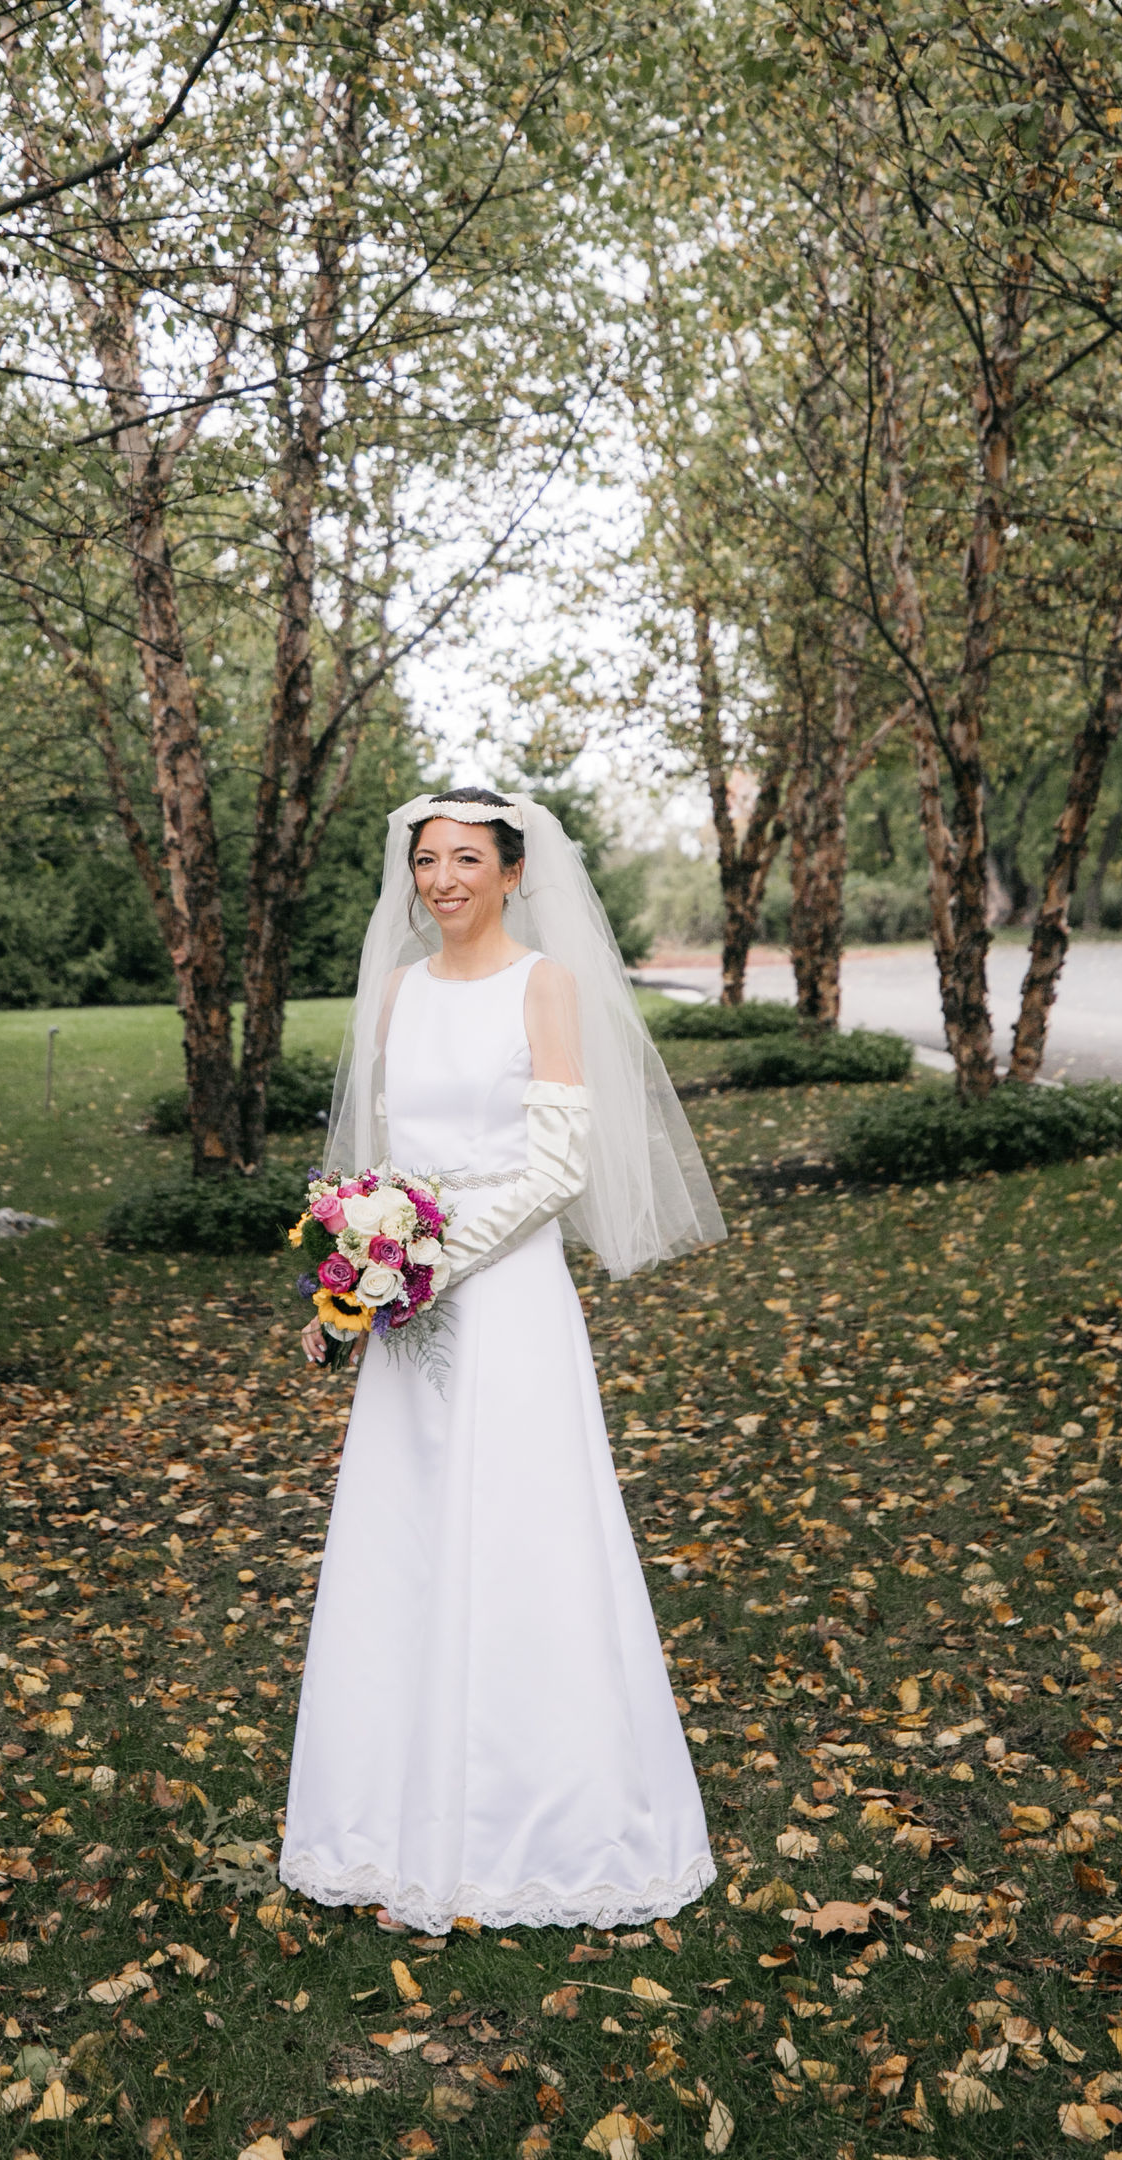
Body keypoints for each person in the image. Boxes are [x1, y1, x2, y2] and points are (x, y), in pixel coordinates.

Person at [278, 786, 726, 1935]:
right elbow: (380, 1158)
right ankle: (383, 1815)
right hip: (407, 1308)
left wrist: (426, 1263)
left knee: (522, 1532)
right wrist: (357, 1270)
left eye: (467, 859)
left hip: (508, 1296)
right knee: (406, 1534)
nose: (442, 880)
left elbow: (557, 1166)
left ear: (513, 872)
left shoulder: (544, 985)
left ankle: (539, 1821)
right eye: (427, 860)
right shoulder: (396, 992)